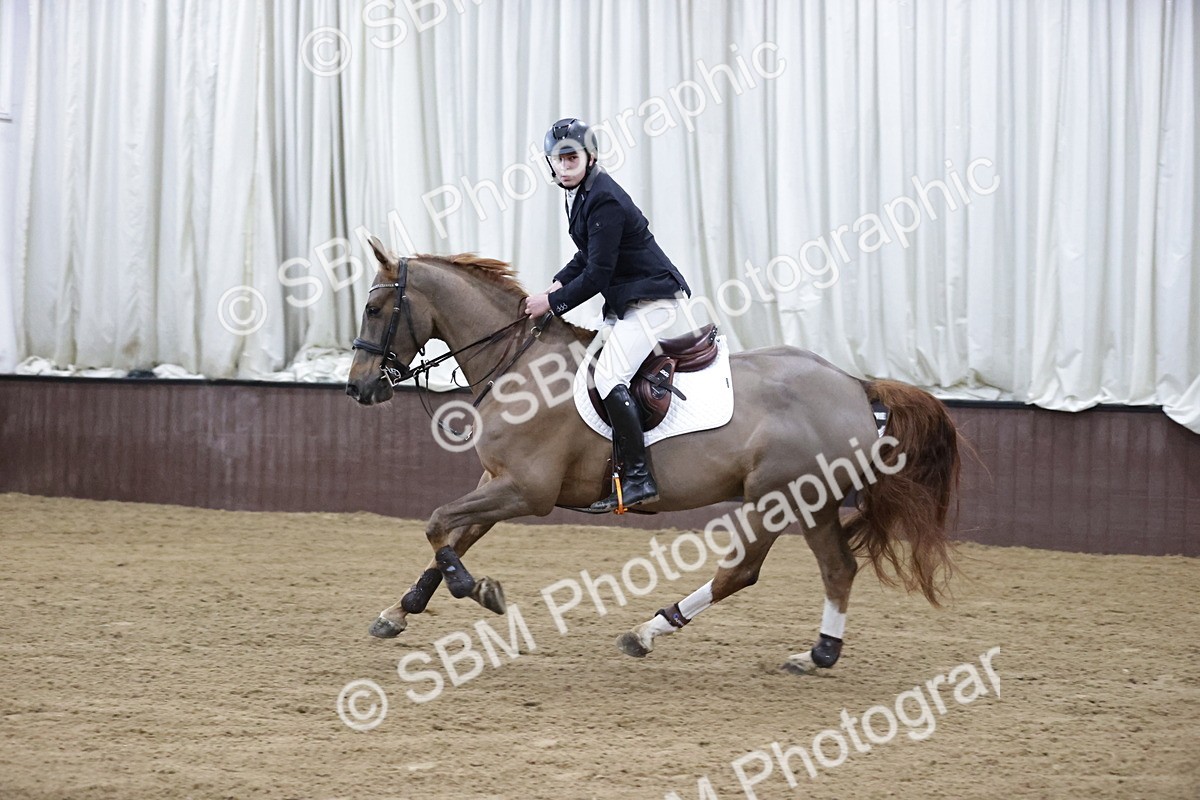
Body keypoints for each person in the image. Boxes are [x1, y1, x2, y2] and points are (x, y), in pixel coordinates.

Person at [524, 118, 692, 512]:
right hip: (625, 302)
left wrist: (553, 303)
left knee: (610, 375)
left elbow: (598, 274)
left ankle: (639, 477)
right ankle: (608, 476)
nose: (564, 165)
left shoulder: (604, 198)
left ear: (590, 157)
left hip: (652, 301)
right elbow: (588, 254)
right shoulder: (580, 193)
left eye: (571, 157)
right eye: (557, 159)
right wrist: (557, 282)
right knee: (589, 372)